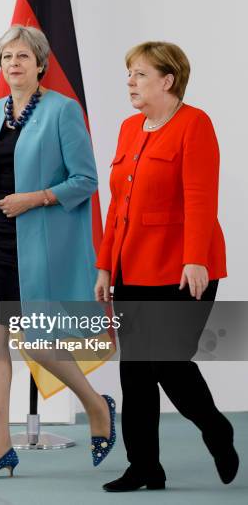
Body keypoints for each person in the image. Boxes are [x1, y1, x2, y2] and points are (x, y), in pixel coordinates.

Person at [0, 25, 115, 480]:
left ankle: (95, 407)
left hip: (39, 241)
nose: (14, 64)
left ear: (40, 63)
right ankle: (0, 445)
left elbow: (86, 180)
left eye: (23, 56)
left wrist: (36, 197)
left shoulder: (63, 111)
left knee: (36, 342)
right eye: (7, 56)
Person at [94, 41, 239, 492]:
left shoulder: (195, 124)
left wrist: (195, 257)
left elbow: (201, 197)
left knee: (169, 362)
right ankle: (145, 468)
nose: (130, 83)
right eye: (129, 75)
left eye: (139, 74)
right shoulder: (128, 128)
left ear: (167, 80)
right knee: (135, 371)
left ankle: (217, 429)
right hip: (131, 267)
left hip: (183, 268)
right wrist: (104, 266)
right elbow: (118, 204)